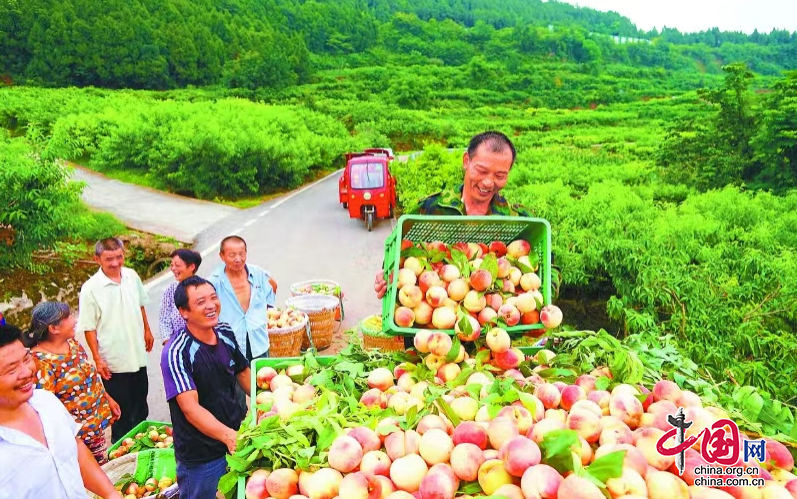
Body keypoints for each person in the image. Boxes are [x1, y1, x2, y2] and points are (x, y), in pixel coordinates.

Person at [373, 131, 538, 348]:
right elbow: (399, 254)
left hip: (494, 340)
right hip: (430, 340)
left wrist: (536, 296)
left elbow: (547, 268)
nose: (488, 182)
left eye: (500, 175)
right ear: (466, 161)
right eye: (481, 170)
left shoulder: (517, 220)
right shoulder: (430, 209)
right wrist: (387, 278)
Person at [0, 324, 124, 499]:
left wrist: (111, 494)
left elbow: (76, 447)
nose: (27, 372)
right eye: (12, 369)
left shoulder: (46, 401)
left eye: (27, 359)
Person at [160, 276, 251, 499]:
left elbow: (242, 372)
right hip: (202, 455)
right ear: (184, 312)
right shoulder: (176, 352)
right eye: (201, 302)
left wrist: (269, 399)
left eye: (213, 298)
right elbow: (191, 409)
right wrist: (228, 436)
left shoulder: (225, 332)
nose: (211, 305)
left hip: (236, 437)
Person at [23, 301, 121, 464]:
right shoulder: (41, 363)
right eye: (68, 317)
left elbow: (89, 376)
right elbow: (47, 411)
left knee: (105, 472)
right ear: (53, 328)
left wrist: (107, 399)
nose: (75, 320)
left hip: (94, 432)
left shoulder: (73, 344)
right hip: (76, 444)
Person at [76, 237, 154, 443]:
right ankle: (121, 456)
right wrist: (97, 359)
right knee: (121, 415)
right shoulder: (91, 288)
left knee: (141, 408)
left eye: (119, 257)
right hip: (114, 363)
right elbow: (89, 327)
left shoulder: (132, 276)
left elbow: (141, 304)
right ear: (97, 259)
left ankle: (144, 447)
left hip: (138, 357)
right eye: (109, 259)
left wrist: (147, 329)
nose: (115, 263)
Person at [208, 235, 277, 361]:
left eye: (242, 254)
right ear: (222, 256)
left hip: (259, 341)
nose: (238, 259)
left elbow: (272, 287)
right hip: (231, 345)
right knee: (238, 380)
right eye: (232, 255)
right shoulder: (214, 282)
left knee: (263, 378)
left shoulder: (257, 274)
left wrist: (259, 317)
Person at [159, 249, 203, 345]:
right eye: (172, 265)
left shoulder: (204, 288)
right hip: (177, 344)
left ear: (191, 267)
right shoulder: (170, 290)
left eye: (177, 265)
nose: (173, 268)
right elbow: (164, 319)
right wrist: (168, 343)